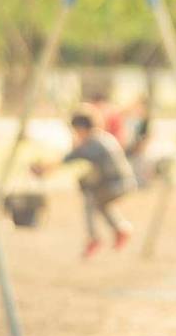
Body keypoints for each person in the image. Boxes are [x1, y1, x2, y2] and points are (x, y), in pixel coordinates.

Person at [32, 108, 135, 259]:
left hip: (117, 184)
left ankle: (94, 237)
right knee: (100, 202)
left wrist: (44, 168)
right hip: (123, 182)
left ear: (81, 128)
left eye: (76, 130)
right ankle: (120, 228)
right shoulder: (103, 138)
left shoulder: (94, 144)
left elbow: (69, 158)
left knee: (90, 199)